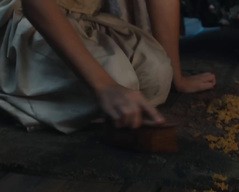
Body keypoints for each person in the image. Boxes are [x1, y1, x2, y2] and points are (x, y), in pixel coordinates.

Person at [0, 0, 216, 133]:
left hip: (87, 19)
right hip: (32, 18)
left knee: (158, 76)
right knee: (120, 83)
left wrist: (175, 76)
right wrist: (104, 86)